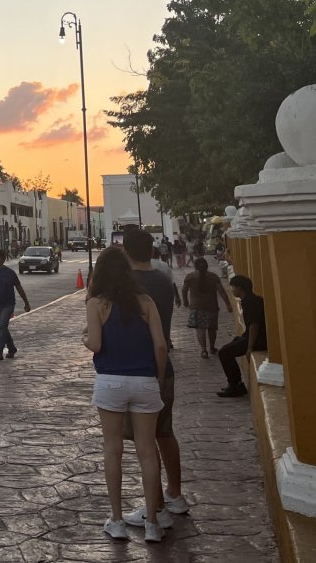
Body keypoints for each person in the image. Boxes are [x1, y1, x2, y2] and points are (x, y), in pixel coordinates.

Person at [84, 246, 168, 543]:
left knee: (112, 449)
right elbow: (160, 345)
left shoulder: (97, 304)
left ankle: (117, 520)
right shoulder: (145, 302)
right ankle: (152, 523)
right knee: (147, 451)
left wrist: (85, 338)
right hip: (144, 380)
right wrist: (156, 376)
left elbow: (95, 345)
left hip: (110, 382)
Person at [121, 228, 188, 527]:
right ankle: (175, 494)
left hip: (137, 367)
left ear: (126, 251)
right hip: (164, 367)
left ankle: (156, 505)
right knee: (165, 433)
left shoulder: (126, 286)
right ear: (151, 250)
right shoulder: (163, 280)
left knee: (145, 441)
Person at [217, 275, 267, 398]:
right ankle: (236, 384)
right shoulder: (251, 300)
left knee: (224, 352)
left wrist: (249, 347)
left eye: (233, 287)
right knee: (230, 347)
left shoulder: (250, 302)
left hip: (258, 340)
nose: (232, 290)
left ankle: (235, 385)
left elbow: (254, 326)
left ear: (240, 288)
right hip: (252, 337)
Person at [181, 257, 232, 358]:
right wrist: (228, 304)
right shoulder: (213, 277)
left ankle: (204, 350)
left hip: (196, 306)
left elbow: (184, 290)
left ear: (195, 266)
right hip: (211, 306)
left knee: (200, 329)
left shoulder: (190, 277)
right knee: (212, 328)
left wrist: (185, 301)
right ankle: (212, 348)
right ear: (207, 266)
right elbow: (221, 291)